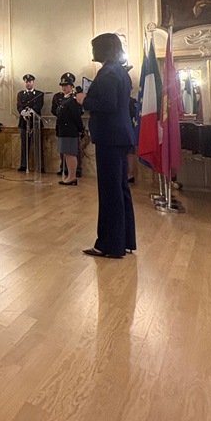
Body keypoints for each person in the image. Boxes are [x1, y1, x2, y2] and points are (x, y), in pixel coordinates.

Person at [75, 33, 136, 259]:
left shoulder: (108, 72)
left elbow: (107, 104)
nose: (92, 52)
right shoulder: (121, 71)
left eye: (94, 47)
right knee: (120, 190)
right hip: (120, 135)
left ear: (103, 48)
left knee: (110, 192)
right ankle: (125, 240)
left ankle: (109, 245)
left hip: (110, 137)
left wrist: (85, 100)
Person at [53, 73, 84, 186]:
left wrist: (81, 129)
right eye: (63, 85)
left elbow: (76, 116)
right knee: (66, 153)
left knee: (71, 154)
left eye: (66, 85)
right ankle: (69, 175)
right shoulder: (63, 99)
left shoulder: (73, 99)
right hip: (63, 130)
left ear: (72, 86)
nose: (64, 87)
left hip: (70, 130)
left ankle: (72, 176)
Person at [16, 74, 45, 172]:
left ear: (33, 82)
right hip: (24, 123)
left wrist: (31, 111)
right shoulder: (21, 94)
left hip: (35, 122)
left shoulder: (39, 94)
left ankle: (40, 166)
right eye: (26, 82)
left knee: (38, 145)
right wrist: (22, 112)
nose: (28, 83)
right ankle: (24, 165)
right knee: (24, 145)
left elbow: (39, 106)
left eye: (30, 81)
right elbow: (19, 106)